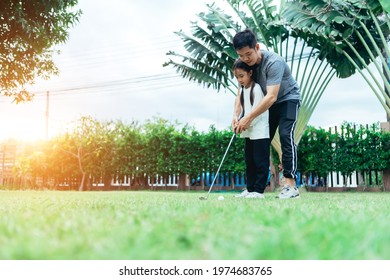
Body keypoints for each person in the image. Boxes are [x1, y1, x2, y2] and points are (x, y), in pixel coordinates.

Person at [232, 29, 301, 199]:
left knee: (286, 135)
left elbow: (271, 97)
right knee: (259, 142)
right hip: (267, 104)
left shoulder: (273, 62)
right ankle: (253, 188)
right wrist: (236, 116)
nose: (245, 59)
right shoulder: (243, 64)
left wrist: (248, 117)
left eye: (248, 54)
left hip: (287, 100)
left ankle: (291, 186)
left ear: (257, 47)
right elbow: (240, 92)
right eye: (241, 56)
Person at [232, 59, 270, 199]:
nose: (239, 79)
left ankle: (259, 191)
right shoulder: (242, 89)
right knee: (250, 161)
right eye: (237, 77)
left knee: (260, 162)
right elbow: (241, 108)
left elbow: (257, 112)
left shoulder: (256, 88)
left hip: (260, 131)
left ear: (250, 73)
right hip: (248, 131)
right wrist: (236, 119)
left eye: (242, 76)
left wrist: (245, 123)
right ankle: (250, 189)